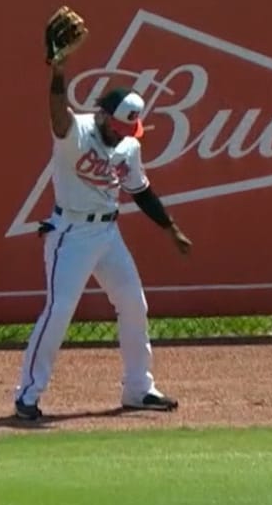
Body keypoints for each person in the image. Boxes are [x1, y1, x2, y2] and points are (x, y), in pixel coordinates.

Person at [11, 54, 194, 421]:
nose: (125, 134)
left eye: (130, 129)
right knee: (60, 310)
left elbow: (140, 191)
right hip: (71, 233)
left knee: (133, 303)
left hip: (108, 232)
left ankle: (138, 389)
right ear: (105, 117)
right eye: (120, 126)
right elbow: (57, 115)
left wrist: (170, 229)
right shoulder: (75, 132)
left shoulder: (128, 146)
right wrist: (58, 73)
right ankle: (28, 394)